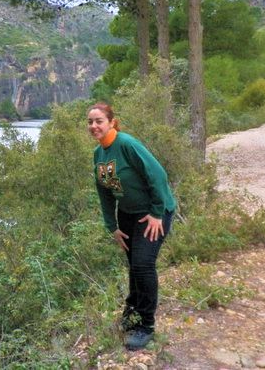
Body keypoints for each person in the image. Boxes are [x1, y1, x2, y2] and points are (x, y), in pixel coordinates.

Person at [87, 102, 176, 351]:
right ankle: (132, 312)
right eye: (90, 122)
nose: (94, 126)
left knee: (143, 265)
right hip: (127, 216)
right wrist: (111, 225)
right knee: (134, 267)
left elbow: (157, 175)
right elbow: (104, 192)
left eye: (99, 121)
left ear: (112, 122)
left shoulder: (126, 144)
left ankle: (145, 326)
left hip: (153, 214)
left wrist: (158, 212)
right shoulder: (99, 154)